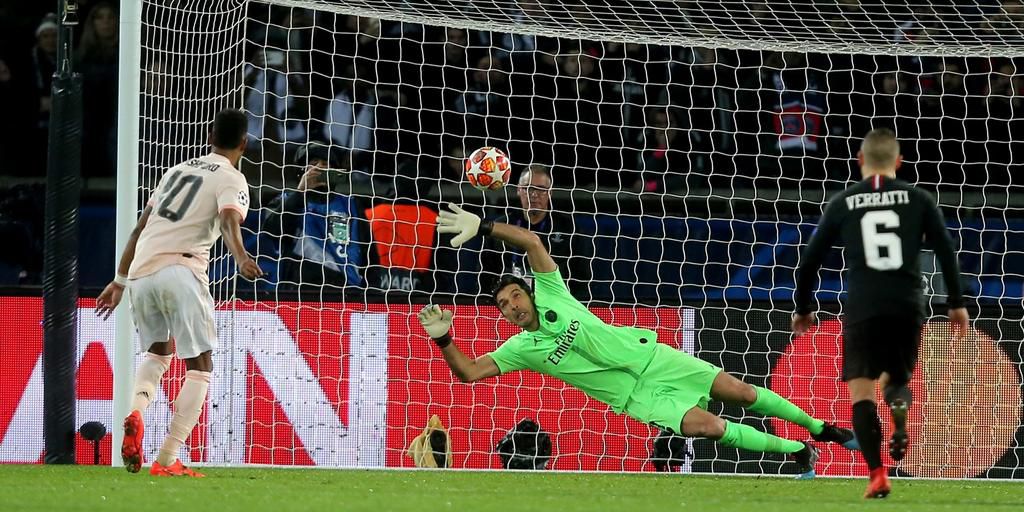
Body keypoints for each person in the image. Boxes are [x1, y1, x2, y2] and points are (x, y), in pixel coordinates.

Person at [420, 203, 860, 476]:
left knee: (741, 392)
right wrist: (444, 339)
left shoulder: (553, 290)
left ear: (529, 291)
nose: (513, 304)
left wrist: (485, 226)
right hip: (635, 397)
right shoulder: (519, 349)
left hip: (654, 359)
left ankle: (822, 429)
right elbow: (469, 373)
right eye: (504, 304)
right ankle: (798, 450)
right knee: (707, 427)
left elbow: (532, 241)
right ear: (503, 316)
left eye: (516, 294)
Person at [791, 128, 969, 498]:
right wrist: (956, 303)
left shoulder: (844, 202)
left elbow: (809, 261)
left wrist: (804, 307)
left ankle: (877, 475)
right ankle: (899, 410)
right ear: (899, 162)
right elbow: (946, 251)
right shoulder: (919, 199)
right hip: (907, 303)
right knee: (896, 381)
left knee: (862, 393)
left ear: (860, 161)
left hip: (864, 305)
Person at [94, 108, 264, 477]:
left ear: (209, 136)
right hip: (181, 270)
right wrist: (241, 257)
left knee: (157, 354)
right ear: (244, 144)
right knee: (200, 367)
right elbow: (229, 220)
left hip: (140, 273)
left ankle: (136, 412)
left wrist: (119, 280)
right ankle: (167, 460)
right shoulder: (232, 178)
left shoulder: (176, 170)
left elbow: (140, 228)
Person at [261, 143, 365, 290]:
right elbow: (270, 232)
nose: (320, 168)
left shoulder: (351, 205)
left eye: (325, 164)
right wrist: (300, 193)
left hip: (347, 293)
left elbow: (369, 254)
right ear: (301, 172)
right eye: (313, 164)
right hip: (298, 293)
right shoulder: (285, 200)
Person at [481, 165, 592, 298]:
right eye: (528, 188)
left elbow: (581, 279)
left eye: (541, 189)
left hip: (555, 302)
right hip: (511, 306)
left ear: (550, 193)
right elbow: (485, 276)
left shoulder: (569, 228)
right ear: (518, 190)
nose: (534, 194)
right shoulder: (501, 227)